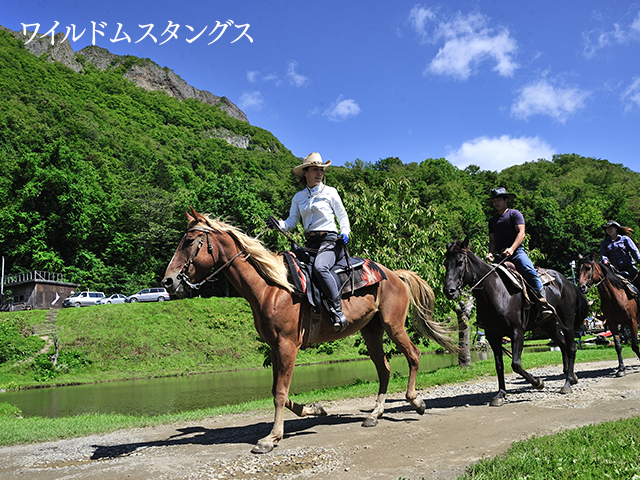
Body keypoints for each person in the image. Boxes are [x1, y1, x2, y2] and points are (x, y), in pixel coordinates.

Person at [268, 152, 351, 332]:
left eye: (321, 169)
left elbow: (342, 216)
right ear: (305, 172)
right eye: (315, 169)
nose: (319, 173)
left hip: (330, 241)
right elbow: (291, 222)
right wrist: (278, 224)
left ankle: (337, 311)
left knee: (320, 268)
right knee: (285, 261)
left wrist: (345, 232)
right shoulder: (298, 197)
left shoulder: (331, 192)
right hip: (311, 243)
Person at [486, 187, 554, 319]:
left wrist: (511, 249)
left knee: (528, 270)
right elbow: (492, 240)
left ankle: (543, 303)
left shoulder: (514, 214)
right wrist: (490, 253)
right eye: (494, 201)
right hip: (500, 256)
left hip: (517, 252)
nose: (496, 203)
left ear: (506, 200)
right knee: (488, 279)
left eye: (499, 200)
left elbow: (521, 233)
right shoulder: (492, 221)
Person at [600, 220, 640, 290]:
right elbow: (603, 255)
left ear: (616, 228)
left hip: (629, 268)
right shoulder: (604, 243)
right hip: (615, 271)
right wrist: (605, 261)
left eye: (611, 228)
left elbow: (634, 251)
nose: (609, 230)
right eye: (607, 229)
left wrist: (639, 260)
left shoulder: (625, 239)